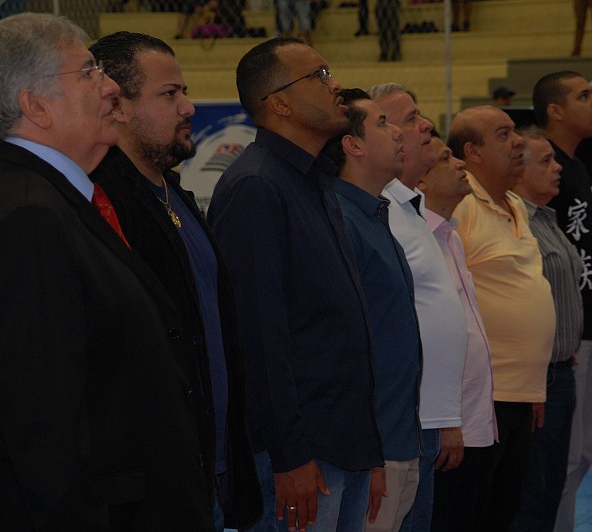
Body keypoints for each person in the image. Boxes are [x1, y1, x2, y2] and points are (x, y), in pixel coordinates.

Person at [0, 13, 216, 530]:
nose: (109, 88)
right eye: (87, 73)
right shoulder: (28, 214)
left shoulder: (36, 196)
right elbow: (43, 424)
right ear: (35, 105)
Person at [88, 31, 262, 531]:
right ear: (116, 106)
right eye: (170, 94)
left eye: (183, 91)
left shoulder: (174, 195)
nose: (188, 107)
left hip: (209, 464)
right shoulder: (102, 206)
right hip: (152, 481)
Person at [208, 38, 383, 532]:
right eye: (319, 75)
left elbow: (338, 325)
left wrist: (368, 447)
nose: (336, 85)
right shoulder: (257, 186)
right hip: (300, 456)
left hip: (343, 443)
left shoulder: (313, 178)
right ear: (279, 103)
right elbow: (258, 337)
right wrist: (288, 456)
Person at [449, 105, 556, 531]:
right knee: (472, 512)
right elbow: (450, 299)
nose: (518, 143)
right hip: (483, 396)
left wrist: (533, 385)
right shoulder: (461, 205)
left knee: (504, 511)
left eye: (515, 132)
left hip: (520, 392)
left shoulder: (514, 203)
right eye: (503, 134)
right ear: (472, 152)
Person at [323, 88, 422, 532]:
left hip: (398, 437)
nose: (398, 132)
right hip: (373, 446)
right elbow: (343, 347)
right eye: (383, 123)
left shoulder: (374, 213)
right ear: (353, 144)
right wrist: (371, 452)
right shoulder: (340, 219)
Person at [369, 83, 467, 532]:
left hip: (425, 417)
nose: (426, 125)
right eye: (409, 119)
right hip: (401, 420)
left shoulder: (410, 206)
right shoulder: (376, 210)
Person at [532, 70, 592, 532]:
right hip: (565, 339)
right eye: (584, 96)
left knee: (582, 454)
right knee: (561, 461)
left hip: (589, 326)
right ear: (555, 110)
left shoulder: (574, 167)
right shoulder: (542, 168)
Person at [420, 135, 498, 532]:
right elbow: (426, 338)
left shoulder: (449, 234)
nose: (461, 164)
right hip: (445, 422)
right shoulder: (417, 240)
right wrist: (446, 421)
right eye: (447, 158)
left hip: (473, 418)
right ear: (421, 179)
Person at [511, 127, 583, 532]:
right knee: (532, 494)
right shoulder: (517, 223)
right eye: (546, 161)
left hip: (560, 370)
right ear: (518, 170)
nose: (558, 168)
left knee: (551, 485)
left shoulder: (547, 218)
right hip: (537, 378)